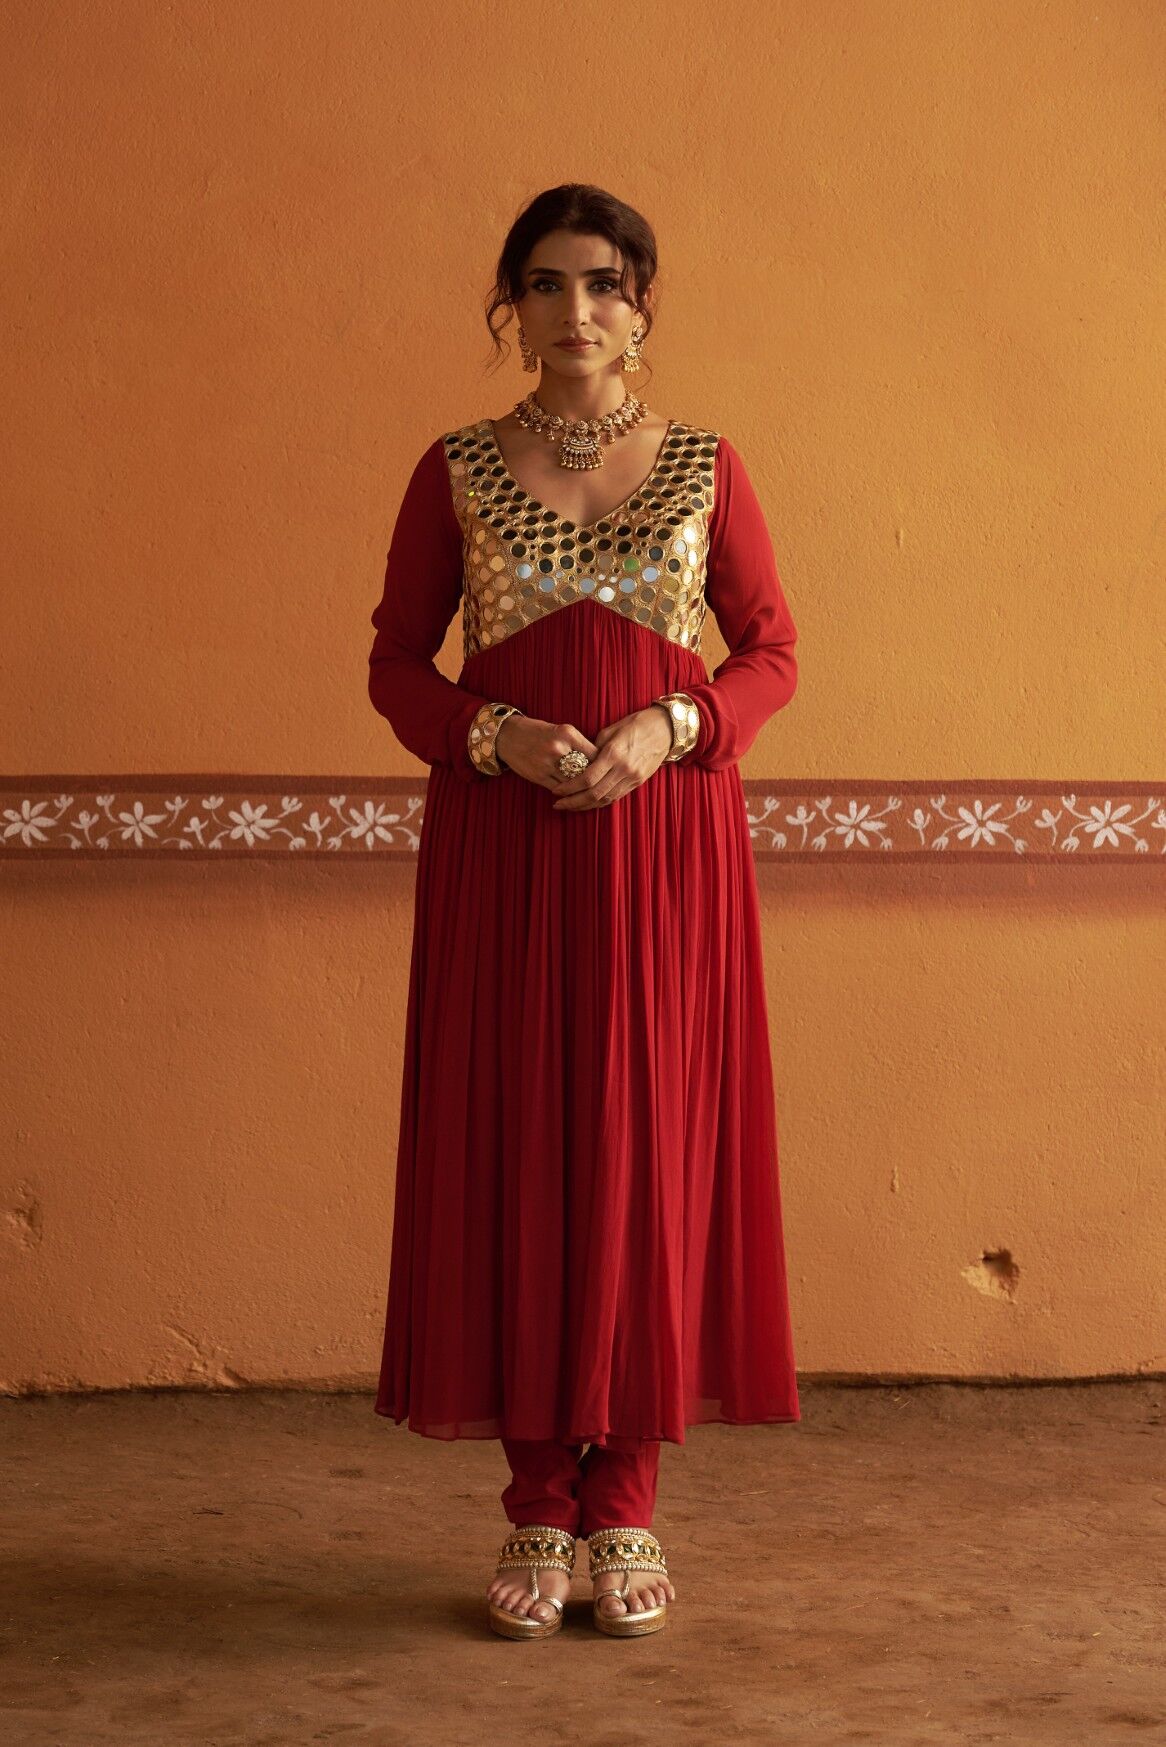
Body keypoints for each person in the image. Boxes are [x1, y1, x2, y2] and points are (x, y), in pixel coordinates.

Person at [367, 183, 801, 1641]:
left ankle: (625, 1503)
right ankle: (537, 1507)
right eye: (547, 285)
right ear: (512, 303)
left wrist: (671, 729)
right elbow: (395, 667)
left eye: (605, 285)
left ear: (644, 303)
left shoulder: (705, 465)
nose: (577, 312)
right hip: (505, 856)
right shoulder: (454, 468)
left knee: (646, 1150)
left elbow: (770, 653)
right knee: (523, 1149)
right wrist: (494, 736)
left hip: (666, 857)